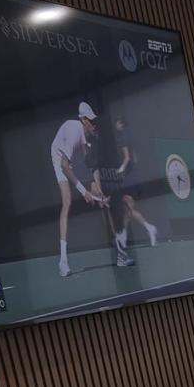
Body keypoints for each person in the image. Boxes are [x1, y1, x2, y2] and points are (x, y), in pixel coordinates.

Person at [50, 102, 133, 276]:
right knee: (67, 202)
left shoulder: (91, 137)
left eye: (93, 120)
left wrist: (98, 190)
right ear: (83, 120)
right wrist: (84, 191)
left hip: (74, 157)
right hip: (59, 157)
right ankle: (63, 261)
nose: (93, 123)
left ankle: (120, 255)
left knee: (104, 202)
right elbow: (65, 165)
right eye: (90, 120)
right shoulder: (74, 132)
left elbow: (91, 166)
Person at [107, 116, 158, 252]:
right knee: (128, 209)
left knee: (129, 209)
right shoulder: (130, 138)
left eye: (117, 123)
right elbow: (135, 159)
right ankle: (123, 236)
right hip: (134, 177)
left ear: (121, 124)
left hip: (128, 179)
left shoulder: (122, 138)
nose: (116, 125)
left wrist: (121, 169)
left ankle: (149, 228)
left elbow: (127, 158)